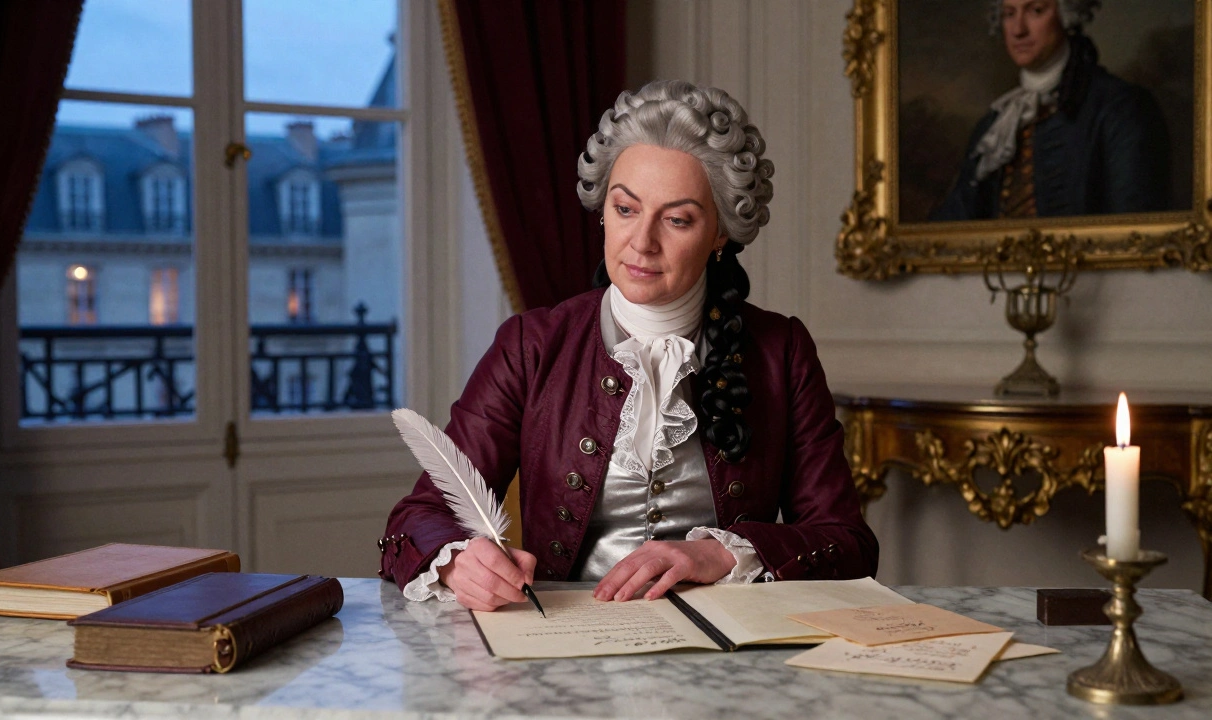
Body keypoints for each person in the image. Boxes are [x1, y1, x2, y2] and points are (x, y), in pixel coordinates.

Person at [379, 80, 878, 611]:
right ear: (603, 210)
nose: (642, 242)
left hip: (728, 643)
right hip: (566, 639)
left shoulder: (782, 351)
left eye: (677, 219)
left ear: (720, 234)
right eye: (625, 209)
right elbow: (415, 520)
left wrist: (721, 554)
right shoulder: (531, 346)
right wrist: (457, 561)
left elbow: (848, 543)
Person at [931, 0, 1170, 221]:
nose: (1018, 30)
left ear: (1068, 15)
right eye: (1009, 14)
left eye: (1036, 11)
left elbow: (1134, 228)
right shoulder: (996, 125)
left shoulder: (1120, 108)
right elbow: (955, 223)